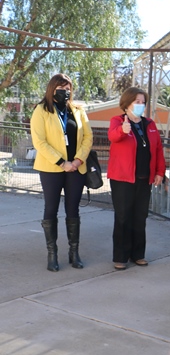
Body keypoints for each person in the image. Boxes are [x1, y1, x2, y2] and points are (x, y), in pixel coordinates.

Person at [30, 73, 93, 271]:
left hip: (76, 168)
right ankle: (52, 254)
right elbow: (39, 141)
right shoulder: (41, 110)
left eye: (68, 89)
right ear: (52, 89)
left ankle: (74, 253)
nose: (65, 92)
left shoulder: (78, 110)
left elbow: (88, 137)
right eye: (61, 88)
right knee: (51, 208)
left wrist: (77, 160)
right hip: (51, 169)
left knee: (73, 210)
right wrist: (61, 162)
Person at [107, 87, 165, 270]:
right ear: (127, 103)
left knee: (140, 217)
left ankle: (138, 254)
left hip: (144, 178)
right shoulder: (117, 121)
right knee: (123, 217)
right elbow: (112, 136)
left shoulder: (150, 124)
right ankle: (120, 257)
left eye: (143, 102)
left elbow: (157, 150)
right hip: (122, 179)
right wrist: (123, 131)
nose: (141, 105)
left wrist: (159, 172)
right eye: (136, 102)